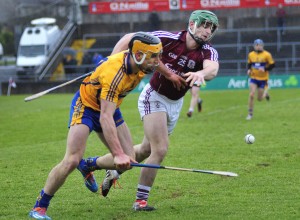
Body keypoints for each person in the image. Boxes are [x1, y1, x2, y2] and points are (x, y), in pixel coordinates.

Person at [81, 10, 219, 211]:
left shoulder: (207, 51)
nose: (207, 31)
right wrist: (111, 60)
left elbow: (212, 69)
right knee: (160, 149)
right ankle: (140, 201)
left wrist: (201, 73)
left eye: (211, 28)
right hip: (154, 96)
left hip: (175, 103)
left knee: (144, 150)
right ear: (192, 24)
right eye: (204, 25)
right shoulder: (169, 39)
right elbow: (131, 38)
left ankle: (93, 164)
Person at [28, 32, 164, 219]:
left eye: (159, 56)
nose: (158, 61)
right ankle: (39, 207)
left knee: (130, 160)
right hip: (87, 107)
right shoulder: (114, 74)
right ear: (139, 55)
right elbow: (105, 118)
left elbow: (128, 38)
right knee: (72, 160)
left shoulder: (140, 64)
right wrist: (117, 154)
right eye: (154, 57)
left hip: (110, 107)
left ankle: (89, 165)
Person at [246, 39, 275, 120]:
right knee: (251, 94)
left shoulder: (267, 55)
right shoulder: (251, 55)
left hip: (263, 79)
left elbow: (272, 65)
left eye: (260, 45)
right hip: (254, 77)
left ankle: (265, 95)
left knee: (259, 99)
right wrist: (248, 70)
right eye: (257, 45)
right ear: (254, 46)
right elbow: (249, 64)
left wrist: (265, 69)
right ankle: (250, 114)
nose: (258, 47)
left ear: (263, 46)